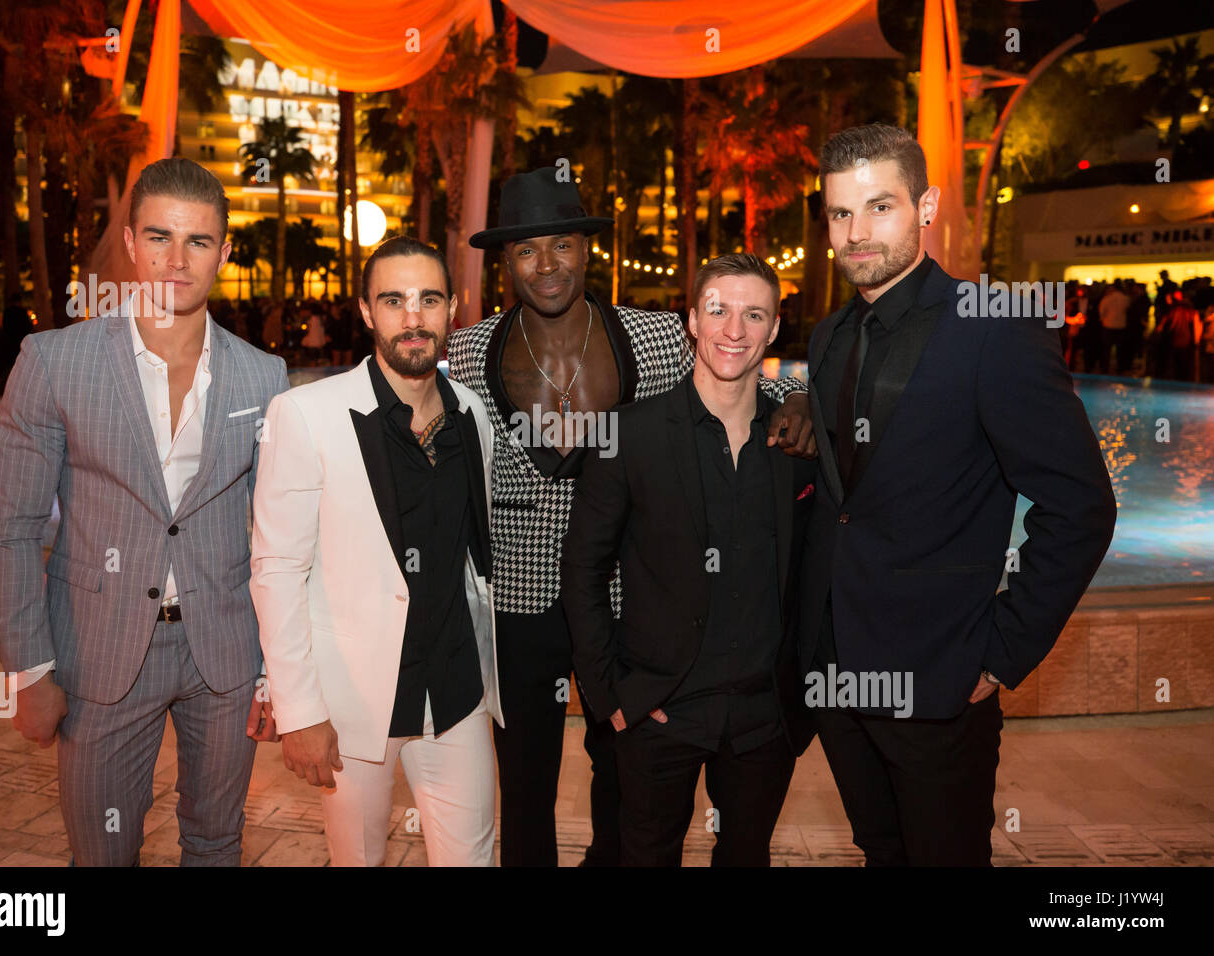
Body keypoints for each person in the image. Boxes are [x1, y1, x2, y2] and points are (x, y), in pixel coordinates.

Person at [447, 167, 816, 867]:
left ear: (589, 250)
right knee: (523, 782)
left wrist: (800, 397)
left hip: (620, 599)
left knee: (625, 774)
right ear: (505, 263)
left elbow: (731, 368)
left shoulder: (649, 337)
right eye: (526, 250)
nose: (546, 264)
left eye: (561, 244)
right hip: (520, 604)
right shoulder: (470, 351)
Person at [798, 124, 1116, 866]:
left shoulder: (994, 329)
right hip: (839, 678)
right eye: (841, 214)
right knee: (879, 849)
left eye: (880, 207)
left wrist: (1001, 654)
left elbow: (1080, 505)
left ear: (926, 205)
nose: (858, 233)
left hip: (939, 684)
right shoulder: (829, 338)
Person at [0, 157, 289, 866]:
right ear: (128, 241)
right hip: (99, 652)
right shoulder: (55, 362)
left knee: (216, 844)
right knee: (102, 850)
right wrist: (28, 669)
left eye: (199, 241)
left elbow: (278, 536)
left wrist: (277, 670)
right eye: (160, 236)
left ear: (224, 252)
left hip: (225, 654)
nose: (176, 262)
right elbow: (12, 527)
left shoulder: (261, 374)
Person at [250, 237, 502, 866]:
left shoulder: (474, 416)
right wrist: (298, 707)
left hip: (456, 691)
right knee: (357, 858)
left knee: (472, 857)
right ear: (366, 311)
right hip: (353, 700)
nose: (412, 318)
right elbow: (277, 570)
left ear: (452, 310)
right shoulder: (306, 415)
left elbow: (473, 561)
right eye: (394, 300)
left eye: (429, 300)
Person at [562, 253, 817, 866]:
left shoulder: (798, 442)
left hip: (764, 716)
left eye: (753, 314)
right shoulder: (627, 434)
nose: (734, 330)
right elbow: (582, 574)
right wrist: (612, 699)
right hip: (658, 710)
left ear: (774, 328)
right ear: (691, 324)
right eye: (718, 311)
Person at [1098, 281, 1129, 375]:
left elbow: (1101, 312)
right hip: (1121, 326)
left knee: (1106, 349)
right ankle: (1120, 369)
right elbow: (1127, 311)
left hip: (1108, 326)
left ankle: (1105, 368)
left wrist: (1104, 320)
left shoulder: (1107, 299)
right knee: (1120, 350)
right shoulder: (1125, 298)